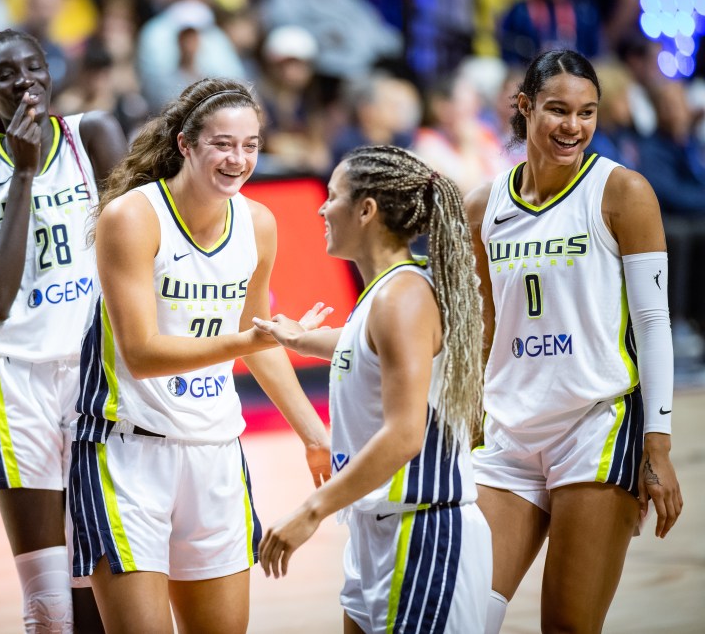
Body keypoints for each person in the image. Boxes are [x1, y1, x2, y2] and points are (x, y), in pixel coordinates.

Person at [70, 77, 331, 633]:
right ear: (186, 144)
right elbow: (141, 353)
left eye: (251, 145)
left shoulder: (259, 223)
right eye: (223, 143)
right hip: (124, 455)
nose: (239, 159)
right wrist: (251, 341)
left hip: (215, 452)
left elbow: (255, 332)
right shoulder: (133, 217)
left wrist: (313, 433)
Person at [465, 49, 683, 633]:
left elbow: (654, 324)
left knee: (567, 624)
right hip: (509, 430)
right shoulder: (482, 207)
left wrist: (656, 444)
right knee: (463, 616)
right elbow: (482, 325)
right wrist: (470, 414)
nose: (573, 126)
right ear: (524, 107)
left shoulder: (622, 192)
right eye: (558, 110)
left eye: (586, 113)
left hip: (596, 427)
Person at [255, 145, 492, 633]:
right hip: (378, 528)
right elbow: (363, 347)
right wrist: (298, 337)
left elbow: (406, 435)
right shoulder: (385, 295)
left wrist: (310, 511)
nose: (322, 208)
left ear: (366, 210)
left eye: (332, 196)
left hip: (424, 530)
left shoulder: (403, 298)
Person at [0, 27, 128, 632]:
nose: (23, 80)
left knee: (107, 578)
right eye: (4, 73)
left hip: (95, 375)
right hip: (14, 381)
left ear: (50, 72)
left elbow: (139, 256)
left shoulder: (94, 135)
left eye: (32, 67)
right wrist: (22, 175)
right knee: (48, 601)